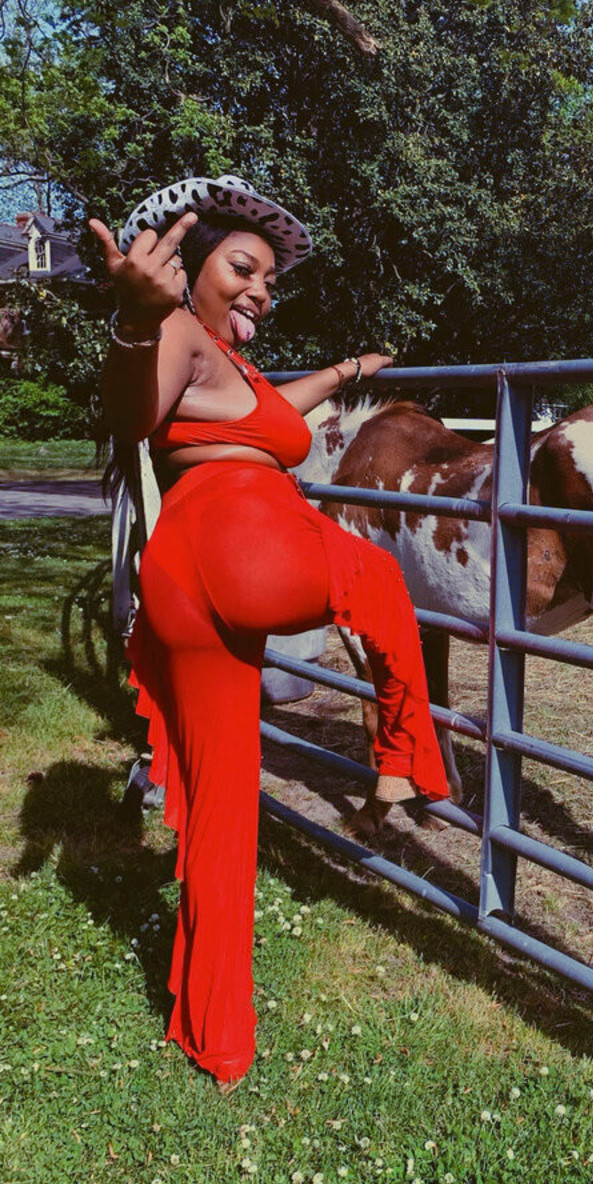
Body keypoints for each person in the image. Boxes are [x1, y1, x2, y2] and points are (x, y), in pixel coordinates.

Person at [90, 174, 449, 1087]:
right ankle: (406, 754)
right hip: (238, 544)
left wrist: (350, 370)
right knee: (376, 576)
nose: (260, 289)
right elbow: (132, 414)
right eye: (243, 269)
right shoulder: (175, 332)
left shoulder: (225, 365)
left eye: (269, 280)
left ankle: (216, 1035)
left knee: (222, 813)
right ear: (188, 269)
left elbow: (278, 411)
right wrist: (135, 319)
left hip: (183, 576)